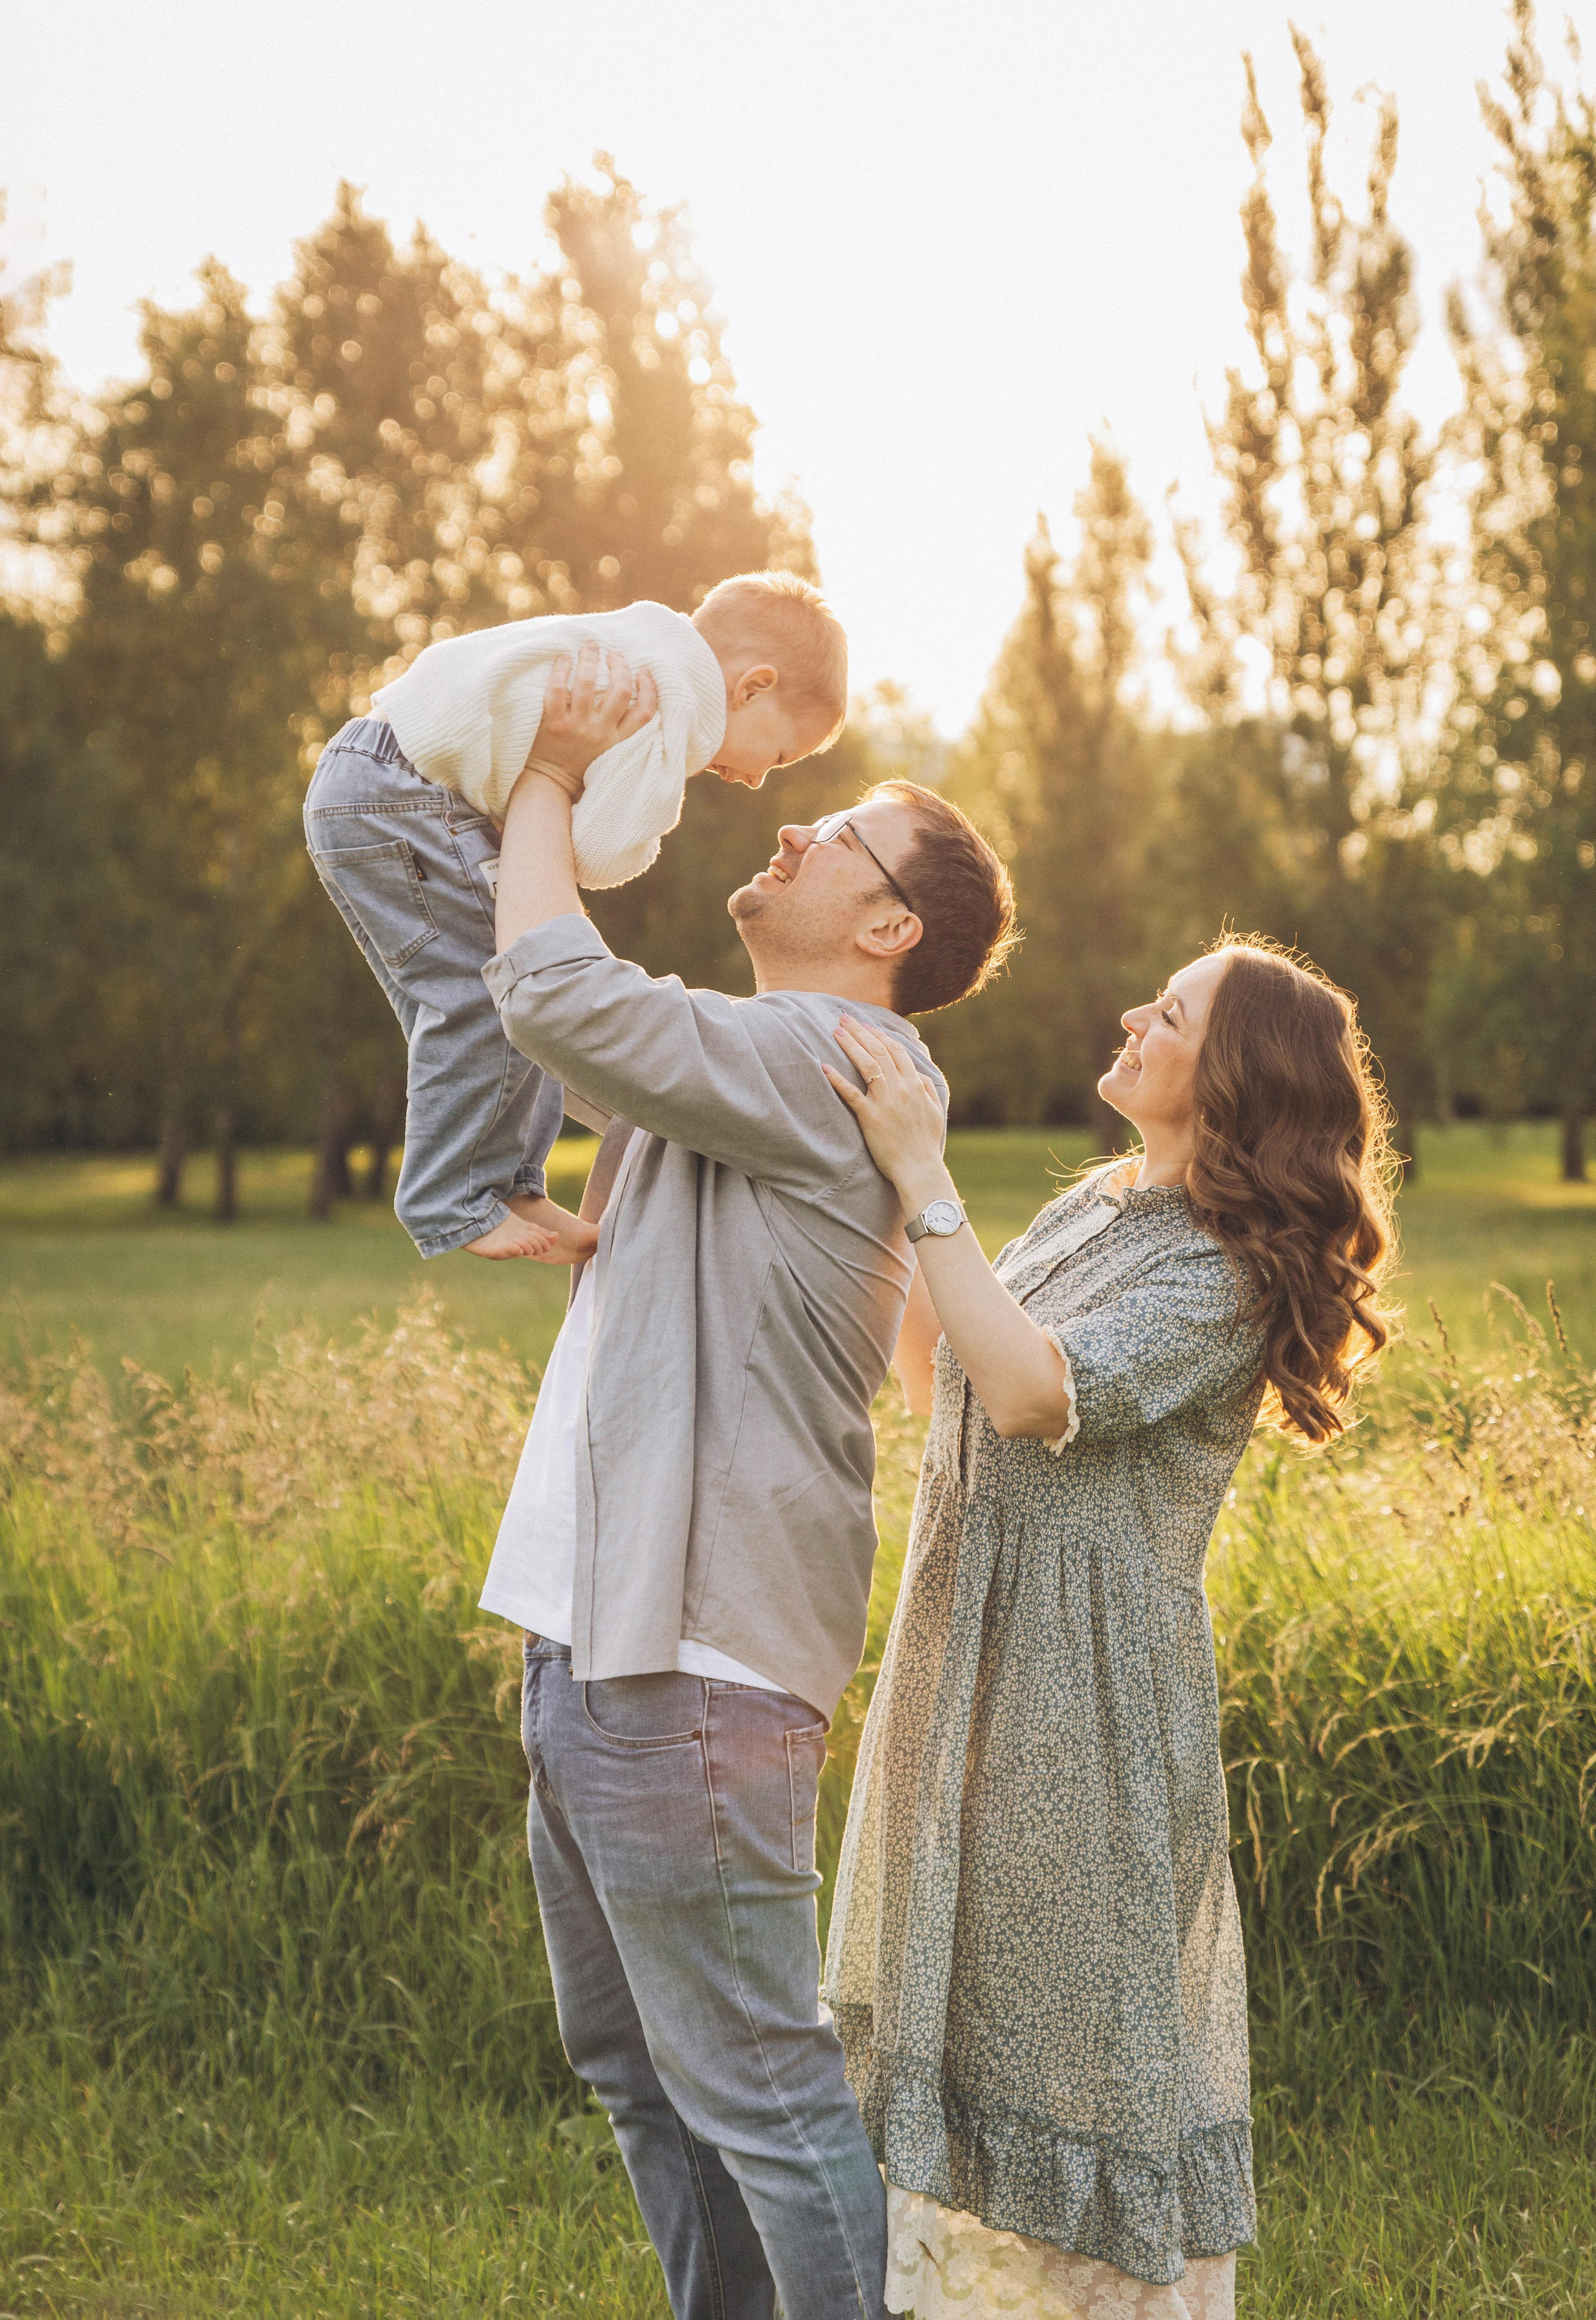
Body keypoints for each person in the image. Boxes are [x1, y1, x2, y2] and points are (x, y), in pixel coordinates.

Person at [475, 667, 1018, 2320]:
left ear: (887, 931)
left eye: (840, 833)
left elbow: (558, 1001)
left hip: (686, 1675)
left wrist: (540, 775)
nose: (792, 823)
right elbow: (562, 1027)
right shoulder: (763, 1055)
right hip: (598, 1652)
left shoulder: (834, 1055)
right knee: (655, 2086)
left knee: (764, 2102)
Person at [821, 936, 1397, 2320]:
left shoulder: (1226, 1273)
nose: (1132, 1012)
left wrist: (925, 1176)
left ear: (1235, 1076)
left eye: (1173, 1011)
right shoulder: (1092, 1208)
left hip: (1085, 1704)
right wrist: (873, 1183)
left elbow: (1031, 1396)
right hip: (961, 1665)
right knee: (952, 2008)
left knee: (1077, 2039)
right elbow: (937, 1369)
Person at [302, 572, 847, 1267]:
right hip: (409, 797)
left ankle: (512, 1184)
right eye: (778, 754)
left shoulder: (639, 639)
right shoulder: (674, 705)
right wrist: (636, 821)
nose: (758, 779)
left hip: (367, 773)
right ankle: (450, 1201)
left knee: (504, 998)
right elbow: (597, 853)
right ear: (752, 686)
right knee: (497, 993)